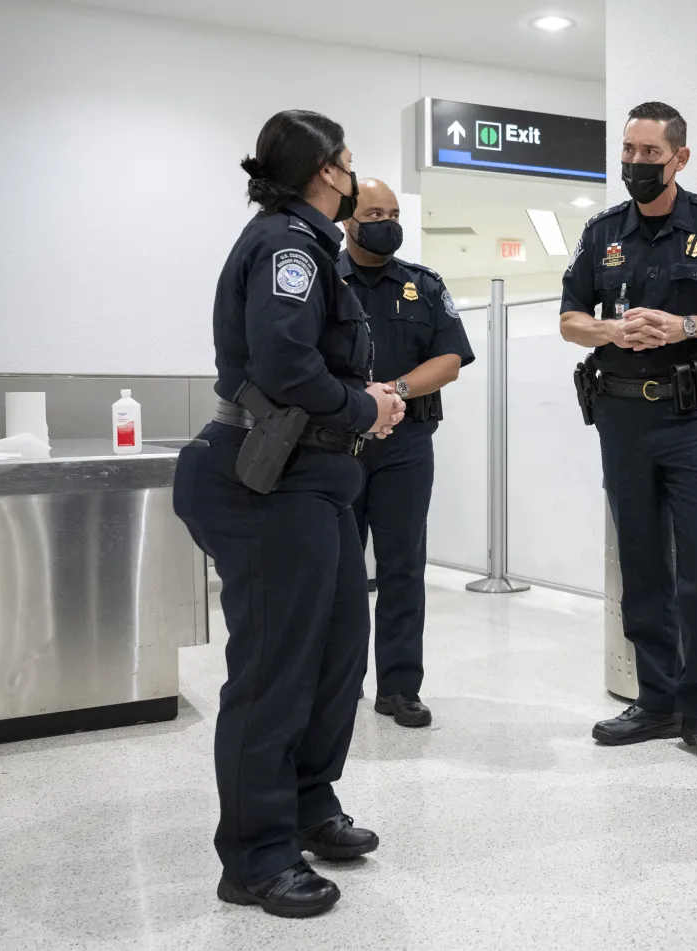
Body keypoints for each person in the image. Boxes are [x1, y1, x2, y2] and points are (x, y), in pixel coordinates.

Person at [173, 110, 405, 918]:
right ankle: (256, 856)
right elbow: (282, 362)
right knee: (276, 669)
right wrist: (363, 405)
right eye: (349, 164)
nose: (353, 177)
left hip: (312, 480)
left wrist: (355, 407)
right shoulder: (287, 247)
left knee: (339, 649)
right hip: (262, 480)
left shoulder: (314, 249)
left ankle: (308, 804)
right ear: (329, 171)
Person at [560, 101, 697, 769]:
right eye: (629, 151)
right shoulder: (601, 233)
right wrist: (610, 330)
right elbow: (569, 317)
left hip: (695, 419)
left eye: (651, 154)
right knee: (642, 560)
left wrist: (686, 327)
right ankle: (656, 701)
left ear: (680, 157)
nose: (636, 165)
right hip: (621, 418)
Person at [339, 179, 474, 728]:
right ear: (349, 218)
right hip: (337, 446)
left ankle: (399, 688)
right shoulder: (325, 279)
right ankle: (339, 683)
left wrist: (392, 394)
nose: (387, 222)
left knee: (402, 568)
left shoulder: (423, 285)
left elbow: (450, 358)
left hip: (407, 446)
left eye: (394, 213)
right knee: (339, 572)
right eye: (375, 212)